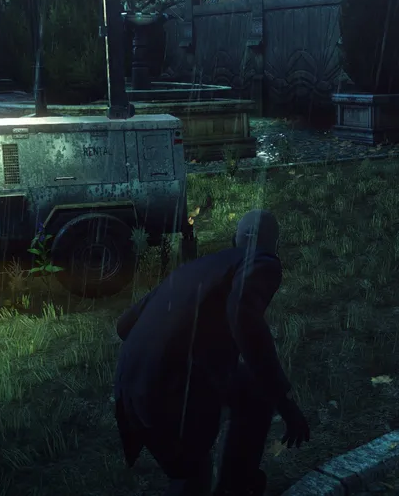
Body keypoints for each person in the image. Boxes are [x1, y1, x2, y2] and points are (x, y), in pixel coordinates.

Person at [114, 209, 310, 496]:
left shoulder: (195, 268)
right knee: (192, 473)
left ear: (233, 240)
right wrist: (285, 402)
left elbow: (123, 325)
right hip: (167, 389)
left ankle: (238, 483)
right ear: (275, 245)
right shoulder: (263, 261)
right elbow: (242, 316)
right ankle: (234, 486)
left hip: (129, 385)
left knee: (252, 391)